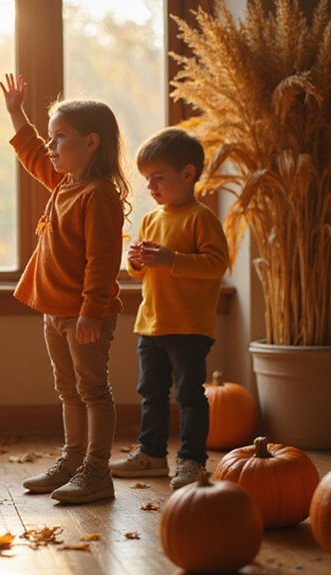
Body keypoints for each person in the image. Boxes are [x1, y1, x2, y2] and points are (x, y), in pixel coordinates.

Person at [1, 74, 130, 504]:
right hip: (54, 311)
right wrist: (16, 114)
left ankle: (97, 471)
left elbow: (103, 261)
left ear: (91, 142)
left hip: (84, 316)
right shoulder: (64, 185)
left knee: (93, 390)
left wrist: (91, 312)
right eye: (51, 138)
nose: (52, 146)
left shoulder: (99, 196)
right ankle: (72, 462)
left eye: (61, 138)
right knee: (68, 390)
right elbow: (34, 154)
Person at [110, 127, 229, 490]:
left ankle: (192, 461)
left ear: (188, 173)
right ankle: (152, 454)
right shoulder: (150, 219)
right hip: (152, 324)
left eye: (158, 178)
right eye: (147, 179)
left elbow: (215, 264)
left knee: (190, 396)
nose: (151, 187)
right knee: (151, 393)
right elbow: (139, 272)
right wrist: (137, 261)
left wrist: (171, 259)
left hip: (190, 326)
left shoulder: (201, 218)